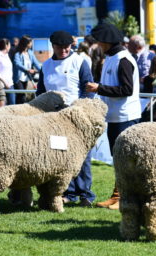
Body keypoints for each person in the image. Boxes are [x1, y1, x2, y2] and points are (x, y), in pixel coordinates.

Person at [36, 30, 95, 207]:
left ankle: (85, 193)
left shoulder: (79, 61)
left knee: (82, 156)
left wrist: (81, 108)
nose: (64, 50)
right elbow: (40, 92)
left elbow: (88, 87)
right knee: (61, 155)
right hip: (54, 116)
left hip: (77, 114)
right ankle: (68, 192)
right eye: (60, 47)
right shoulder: (45, 66)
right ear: (53, 47)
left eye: (67, 47)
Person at [86, 23, 141, 210]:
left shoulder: (124, 60)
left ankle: (123, 197)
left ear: (107, 41)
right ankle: (118, 195)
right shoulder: (111, 58)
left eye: (100, 41)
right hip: (114, 116)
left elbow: (127, 89)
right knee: (118, 158)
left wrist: (99, 88)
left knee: (125, 159)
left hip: (126, 117)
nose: (98, 44)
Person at [13, 35, 41, 104]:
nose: (31, 44)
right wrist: (27, 70)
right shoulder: (17, 54)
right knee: (21, 95)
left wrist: (43, 70)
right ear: (26, 43)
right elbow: (17, 64)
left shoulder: (30, 53)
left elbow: (36, 63)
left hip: (26, 78)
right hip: (18, 79)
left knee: (22, 95)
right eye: (30, 42)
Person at [0, 38, 15, 105]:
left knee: (12, 105)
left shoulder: (7, 56)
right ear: (6, 45)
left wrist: (8, 83)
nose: (10, 47)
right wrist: (4, 83)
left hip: (10, 84)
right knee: (1, 107)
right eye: (9, 45)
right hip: (1, 85)